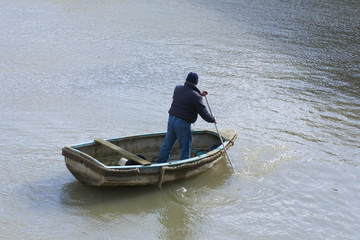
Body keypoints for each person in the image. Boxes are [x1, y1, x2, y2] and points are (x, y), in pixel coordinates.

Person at [157, 72, 216, 163]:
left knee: (167, 144)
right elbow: (203, 113)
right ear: (196, 83)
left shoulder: (178, 88)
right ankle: (184, 166)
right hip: (182, 124)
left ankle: (160, 164)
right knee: (185, 147)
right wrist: (213, 119)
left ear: (187, 80)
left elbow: (186, 98)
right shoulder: (196, 97)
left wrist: (200, 95)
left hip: (171, 119)